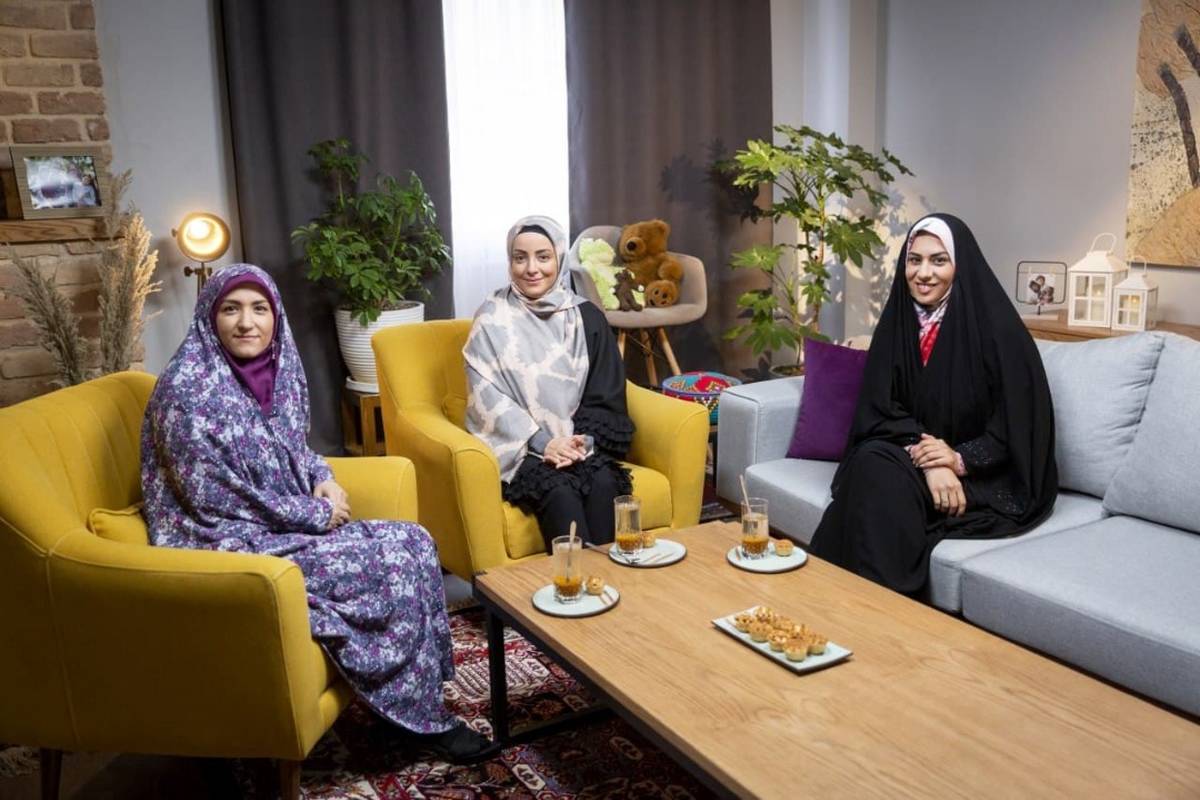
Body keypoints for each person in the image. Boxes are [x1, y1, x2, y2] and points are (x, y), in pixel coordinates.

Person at [141, 264, 494, 763]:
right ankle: (420, 723)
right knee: (390, 561)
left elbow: (293, 448)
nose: (247, 322)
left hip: (279, 521)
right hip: (223, 541)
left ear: (275, 316)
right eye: (231, 309)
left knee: (415, 540)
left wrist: (320, 476)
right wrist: (314, 513)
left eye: (259, 309)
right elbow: (214, 498)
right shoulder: (187, 391)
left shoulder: (277, 369)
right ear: (209, 317)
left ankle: (410, 703)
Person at [807, 214, 1057, 594]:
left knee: (875, 477)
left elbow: (1018, 424)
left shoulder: (1000, 332)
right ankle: (853, 602)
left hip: (983, 474)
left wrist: (957, 460)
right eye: (914, 260)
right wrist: (931, 461)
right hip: (913, 459)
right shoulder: (898, 324)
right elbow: (880, 407)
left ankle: (857, 602)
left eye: (938, 260)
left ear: (960, 265)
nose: (923, 273)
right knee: (872, 461)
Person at [464, 215, 634, 548]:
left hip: (577, 444)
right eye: (520, 258)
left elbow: (605, 393)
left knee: (603, 483)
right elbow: (487, 399)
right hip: (523, 449)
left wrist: (577, 443)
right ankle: (572, 578)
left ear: (559, 258)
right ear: (509, 261)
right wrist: (544, 443)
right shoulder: (491, 318)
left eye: (543, 257)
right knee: (560, 492)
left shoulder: (587, 317)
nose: (532, 269)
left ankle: (609, 578)